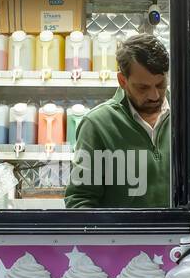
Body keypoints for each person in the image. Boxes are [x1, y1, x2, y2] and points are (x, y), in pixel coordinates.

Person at [65, 33, 171, 208]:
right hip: (121, 235)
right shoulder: (97, 125)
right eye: (143, 87)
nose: (154, 95)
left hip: (179, 235)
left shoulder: (188, 118)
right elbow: (80, 201)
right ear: (122, 80)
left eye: (160, 84)